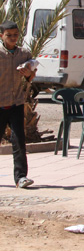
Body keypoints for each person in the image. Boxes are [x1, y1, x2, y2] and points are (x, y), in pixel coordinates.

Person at [0, 21, 36, 189]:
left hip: (16, 103)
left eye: (15, 35)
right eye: (9, 35)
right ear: (1, 36)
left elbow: (31, 73)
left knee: (19, 140)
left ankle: (21, 177)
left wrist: (29, 73)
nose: (13, 38)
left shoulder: (24, 54)